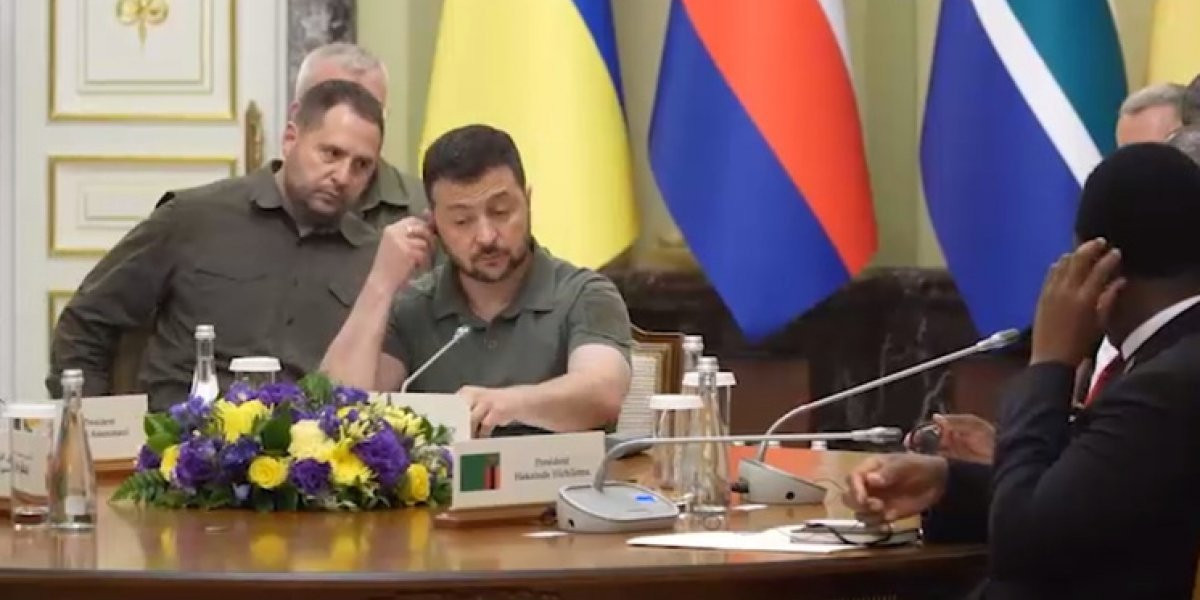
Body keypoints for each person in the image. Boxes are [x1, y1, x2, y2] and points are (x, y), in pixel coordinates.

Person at [847, 143, 1200, 599]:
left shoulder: (1164, 386)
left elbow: (1023, 542)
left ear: (1096, 262)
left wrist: (1048, 363)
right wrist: (946, 481)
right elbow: (1086, 497)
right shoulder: (1169, 361)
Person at [47, 80, 387, 410]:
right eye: (331, 154)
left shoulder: (374, 261)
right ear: (290, 139)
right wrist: (93, 426)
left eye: (361, 165)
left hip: (311, 443)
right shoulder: (194, 218)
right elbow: (85, 322)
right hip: (181, 435)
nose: (343, 176)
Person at [911, 111, 1200, 465]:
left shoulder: (1163, 381)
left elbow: (1041, 505)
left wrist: (1048, 363)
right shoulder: (1123, 343)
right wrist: (999, 455)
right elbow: (1097, 476)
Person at [321, 124, 632, 437]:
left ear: (527, 202)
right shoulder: (413, 308)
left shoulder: (584, 294)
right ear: (433, 224)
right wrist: (380, 282)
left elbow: (602, 393)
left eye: (501, 211)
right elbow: (333, 410)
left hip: (559, 470)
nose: (486, 237)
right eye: (462, 221)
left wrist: (506, 404)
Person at [293, 42, 427, 230]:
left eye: (369, 111)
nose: (353, 123)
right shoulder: (251, 205)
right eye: (336, 104)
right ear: (296, 114)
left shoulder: (422, 208)